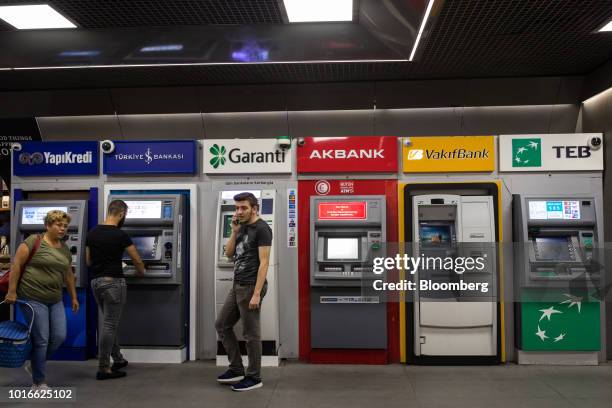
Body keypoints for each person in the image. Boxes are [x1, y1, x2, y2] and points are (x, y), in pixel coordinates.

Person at [4, 210, 79, 390]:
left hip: (55, 298)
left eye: (65, 226)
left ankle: (34, 364)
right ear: (48, 225)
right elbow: (16, 265)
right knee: (42, 339)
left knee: (59, 336)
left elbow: (68, 273)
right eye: (58, 225)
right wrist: (12, 291)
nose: (63, 229)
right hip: (32, 297)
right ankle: (38, 381)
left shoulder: (64, 248)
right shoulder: (33, 241)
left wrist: (74, 296)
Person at [215, 192, 272, 392]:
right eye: (237, 207)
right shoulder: (241, 226)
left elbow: (264, 263)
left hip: (251, 287)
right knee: (222, 324)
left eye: (243, 208)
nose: (239, 211)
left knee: (251, 334)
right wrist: (233, 231)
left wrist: (257, 293)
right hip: (237, 284)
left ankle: (254, 377)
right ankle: (237, 369)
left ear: (254, 208)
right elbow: (229, 253)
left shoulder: (262, 229)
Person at [86, 199, 145, 380]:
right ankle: (104, 368)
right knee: (110, 325)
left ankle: (118, 358)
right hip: (113, 283)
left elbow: (88, 261)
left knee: (109, 323)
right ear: (121, 214)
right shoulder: (120, 235)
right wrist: (141, 271)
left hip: (96, 283)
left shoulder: (92, 233)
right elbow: (136, 259)